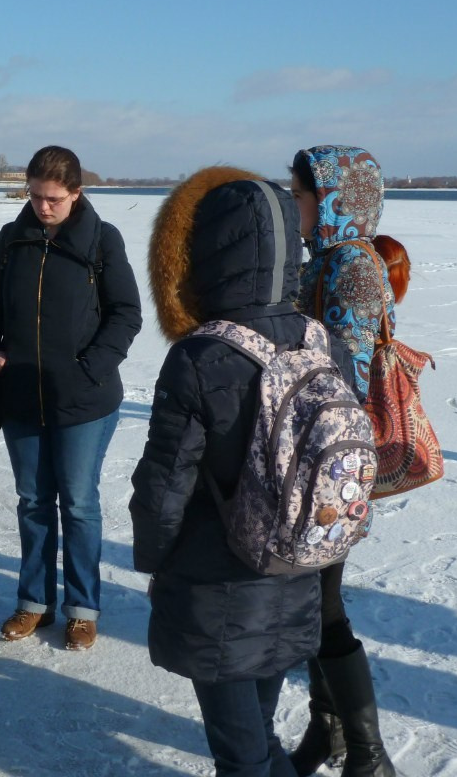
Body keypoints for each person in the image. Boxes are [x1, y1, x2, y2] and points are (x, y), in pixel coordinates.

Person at [131, 167, 327, 777]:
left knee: (240, 751)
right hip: (298, 568)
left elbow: (165, 486)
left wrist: (154, 561)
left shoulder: (200, 356)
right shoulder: (322, 341)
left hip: (216, 580)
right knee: (256, 736)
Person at [0, 146, 141, 650]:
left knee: (81, 504)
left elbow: (126, 313)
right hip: (22, 396)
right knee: (33, 502)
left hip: (84, 403)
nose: (43, 207)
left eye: (54, 199)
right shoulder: (13, 238)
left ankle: (83, 608)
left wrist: (89, 368)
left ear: (77, 193)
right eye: (35, 196)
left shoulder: (102, 241)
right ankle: (33, 604)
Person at [286, 145, 404, 777]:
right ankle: (327, 730)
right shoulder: (327, 262)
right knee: (313, 601)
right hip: (313, 458)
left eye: (300, 193)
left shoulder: (352, 270)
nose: (292, 203)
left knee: (322, 603)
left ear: (331, 200)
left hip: (334, 466)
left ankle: (368, 754)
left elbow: (347, 383)